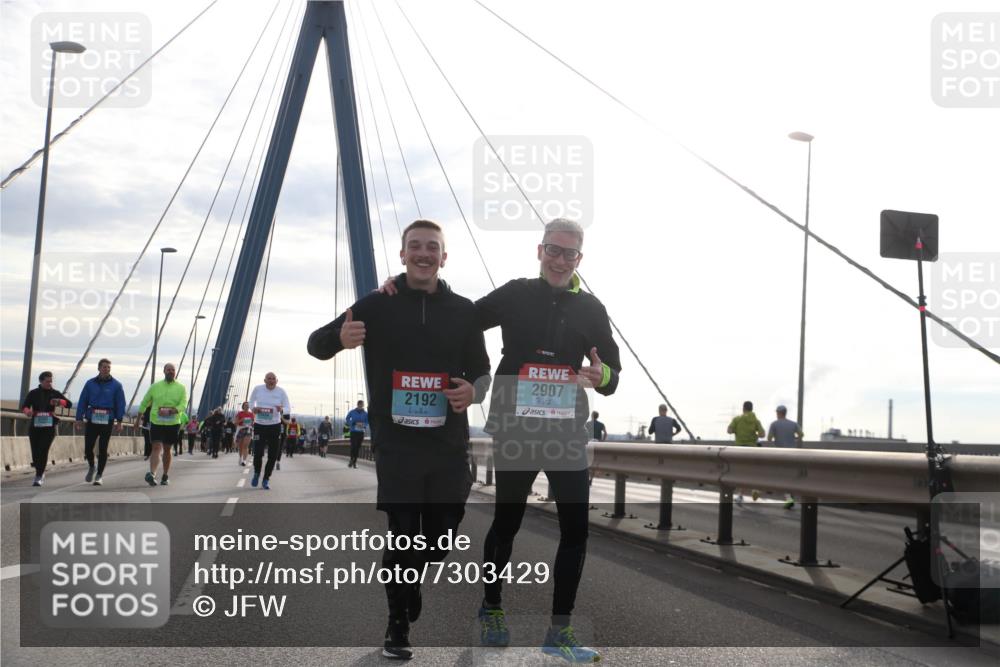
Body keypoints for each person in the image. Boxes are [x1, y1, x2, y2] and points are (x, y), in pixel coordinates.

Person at [381, 217, 620, 661]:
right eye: (553, 249)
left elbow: (612, 376)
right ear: (539, 250)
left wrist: (599, 373)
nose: (560, 259)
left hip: (566, 430)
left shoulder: (592, 308)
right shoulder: (515, 294)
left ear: (579, 259)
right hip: (517, 426)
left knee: (576, 530)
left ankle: (559, 633)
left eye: (569, 253)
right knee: (507, 522)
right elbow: (459, 316)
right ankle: (492, 608)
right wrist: (403, 285)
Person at [308, 219, 491, 660]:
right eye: (415, 246)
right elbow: (316, 344)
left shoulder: (465, 311)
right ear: (403, 254)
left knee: (440, 539)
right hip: (397, 443)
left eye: (433, 247)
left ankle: (411, 583)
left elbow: (481, 372)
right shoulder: (377, 303)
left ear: (444, 258)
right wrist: (340, 338)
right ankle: (397, 626)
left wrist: (473, 391)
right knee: (404, 534)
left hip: (447, 443)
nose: (424, 253)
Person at [75, 358, 126, 485]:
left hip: (107, 419)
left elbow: (120, 404)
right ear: (98, 368)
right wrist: (79, 418)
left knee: (103, 448)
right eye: (104, 367)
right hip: (92, 419)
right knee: (88, 448)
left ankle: (99, 475)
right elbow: (82, 401)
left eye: (108, 367)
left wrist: (119, 421)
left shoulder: (117, 385)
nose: (106, 369)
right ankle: (92, 466)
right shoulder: (90, 383)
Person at [137, 363, 187, 486]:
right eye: (168, 370)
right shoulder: (155, 387)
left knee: (167, 449)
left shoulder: (181, 388)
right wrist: (138, 418)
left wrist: (171, 411)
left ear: (175, 372)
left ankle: (165, 475)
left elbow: (183, 404)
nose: (171, 371)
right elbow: (145, 402)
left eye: (173, 370)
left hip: (173, 422)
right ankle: (152, 474)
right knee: (156, 447)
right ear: (164, 371)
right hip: (156, 422)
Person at [21, 371, 72, 486]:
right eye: (47, 381)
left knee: (43, 450)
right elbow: (24, 406)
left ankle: (39, 475)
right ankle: (40, 471)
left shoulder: (55, 393)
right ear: (41, 381)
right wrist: (27, 411)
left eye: (51, 381)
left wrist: (60, 401)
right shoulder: (33, 393)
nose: (50, 383)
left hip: (49, 427)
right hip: (35, 426)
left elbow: (68, 404)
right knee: (35, 452)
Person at [248, 372, 291, 489]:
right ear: (265, 380)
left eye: (273, 379)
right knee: (258, 452)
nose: (271, 381)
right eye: (269, 379)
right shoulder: (258, 389)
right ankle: (257, 473)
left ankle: (266, 478)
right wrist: (253, 408)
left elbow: (288, 407)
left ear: (276, 381)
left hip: (274, 426)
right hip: (259, 425)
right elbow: (251, 402)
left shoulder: (281, 392)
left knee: (273, 455)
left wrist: (282, 409)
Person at [727, 400, 766, 505]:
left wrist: (737, 431)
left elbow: (729, 430)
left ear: (743, 408)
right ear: (752, 409)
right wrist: (754, 435)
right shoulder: (756, 421)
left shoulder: (737, 419)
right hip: (752, 449)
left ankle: (740, 495)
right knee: (752, 471)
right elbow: (762, 434)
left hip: (739, 449)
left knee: (741, 472)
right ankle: (755, 489)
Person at [767, 404, 803, 509]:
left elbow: (769, 438)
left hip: (780, 454)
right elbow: (801, 435)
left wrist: (776, 437)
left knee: (781, 476)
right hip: (792, 454)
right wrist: (793, 438)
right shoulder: (793, 424)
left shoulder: (774, 424)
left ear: (778, 413)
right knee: (789, 476)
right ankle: (789, 497)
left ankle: (787, 498)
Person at [345, 400, 369, 468]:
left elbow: (367, 421)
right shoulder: (352, 412)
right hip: (353, 431)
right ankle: (352, 460)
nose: (361, 406)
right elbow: (347, 418)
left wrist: (363, 425)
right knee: (353, 446)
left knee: (358, 447)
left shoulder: (365, 413)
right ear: (357, 405)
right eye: (360, 405)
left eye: (362, 405)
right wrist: (352, 423)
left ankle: (354, 461)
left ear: (363, 405)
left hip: (361, 432)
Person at [235, 402, 254, 466]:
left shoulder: (251, 414)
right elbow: (235, 423)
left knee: (246, 445)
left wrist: (251, 423)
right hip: (241, 429)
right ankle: (240, 458)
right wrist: (242, 420)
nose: (247, 406)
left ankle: (244, 460)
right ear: (243, 406)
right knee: (240, 446)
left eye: (248, 406)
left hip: (248, 429)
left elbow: (253, 422)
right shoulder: (239, 413)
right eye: (245, 405)